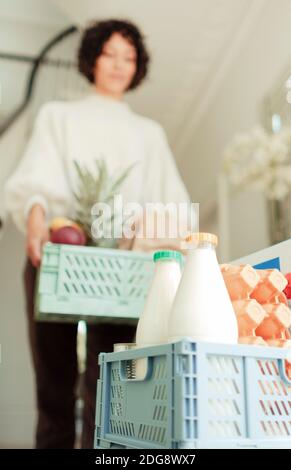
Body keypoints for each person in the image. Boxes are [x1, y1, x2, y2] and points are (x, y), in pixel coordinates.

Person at [5, 19, 190, 448]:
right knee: (53, 384)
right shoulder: (58, 116)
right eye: (110, 53)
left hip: (122, 269)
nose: (119, 64)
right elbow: (36, 180)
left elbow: (174, 206)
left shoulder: (150, 133)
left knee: (111, 388)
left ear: (138, 67)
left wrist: (144, 230)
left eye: (129, 57)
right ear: (91, 58)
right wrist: (35, 217)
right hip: (60, 259)